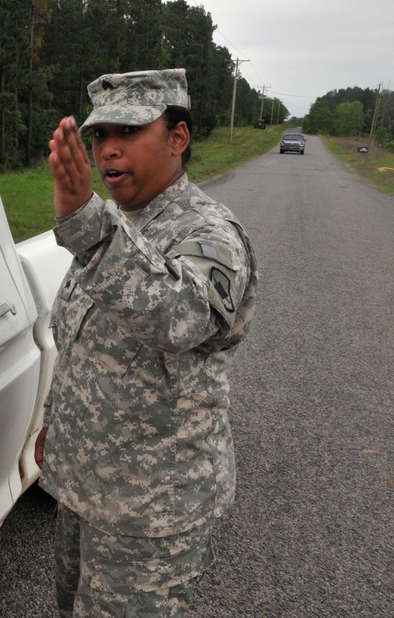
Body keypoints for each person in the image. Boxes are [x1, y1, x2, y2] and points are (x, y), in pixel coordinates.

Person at [35, 69, 258, 617]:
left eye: (127, 133)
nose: (108, 151)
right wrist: (54, 423)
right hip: (86, 488)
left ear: (177, 138)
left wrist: (88, 226)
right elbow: (82, 345)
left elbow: (180, 318)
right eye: (99, 137)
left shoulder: (207, 232)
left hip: (151, 510)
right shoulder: (119, 224)